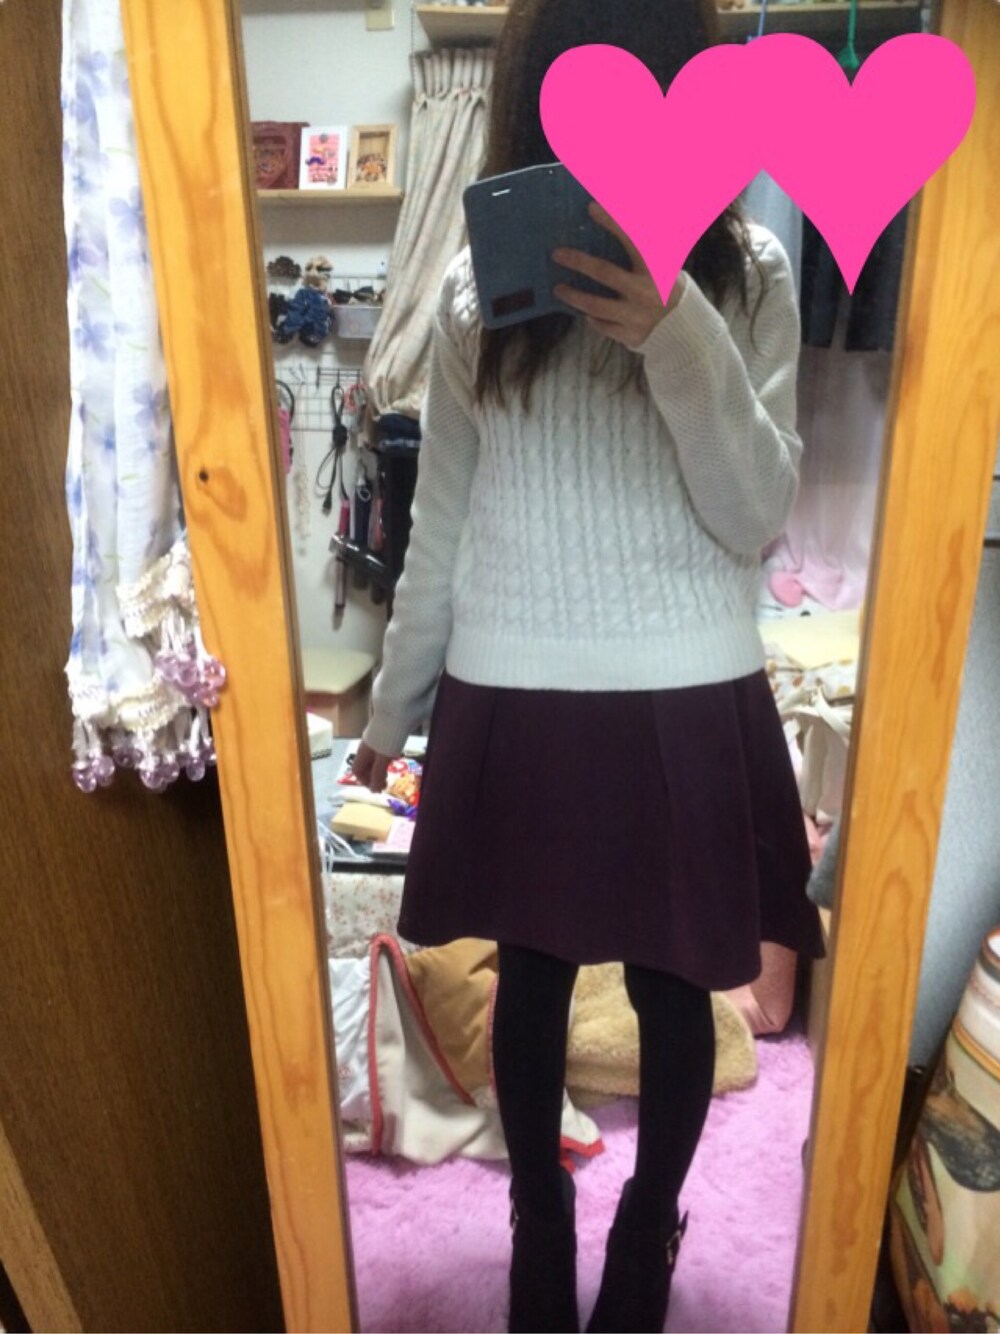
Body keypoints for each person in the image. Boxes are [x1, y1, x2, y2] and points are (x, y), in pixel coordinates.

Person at [353, 0, 825, 1329]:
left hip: (684, 688)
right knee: (533, 975)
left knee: (678, 987)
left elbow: (755, 511)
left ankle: (647, 1233)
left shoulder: (749, 277)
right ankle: (539, 1221)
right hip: (516, 685)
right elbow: (442, 523)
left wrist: (676, 332)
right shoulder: (479, 291)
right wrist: (390, 709)